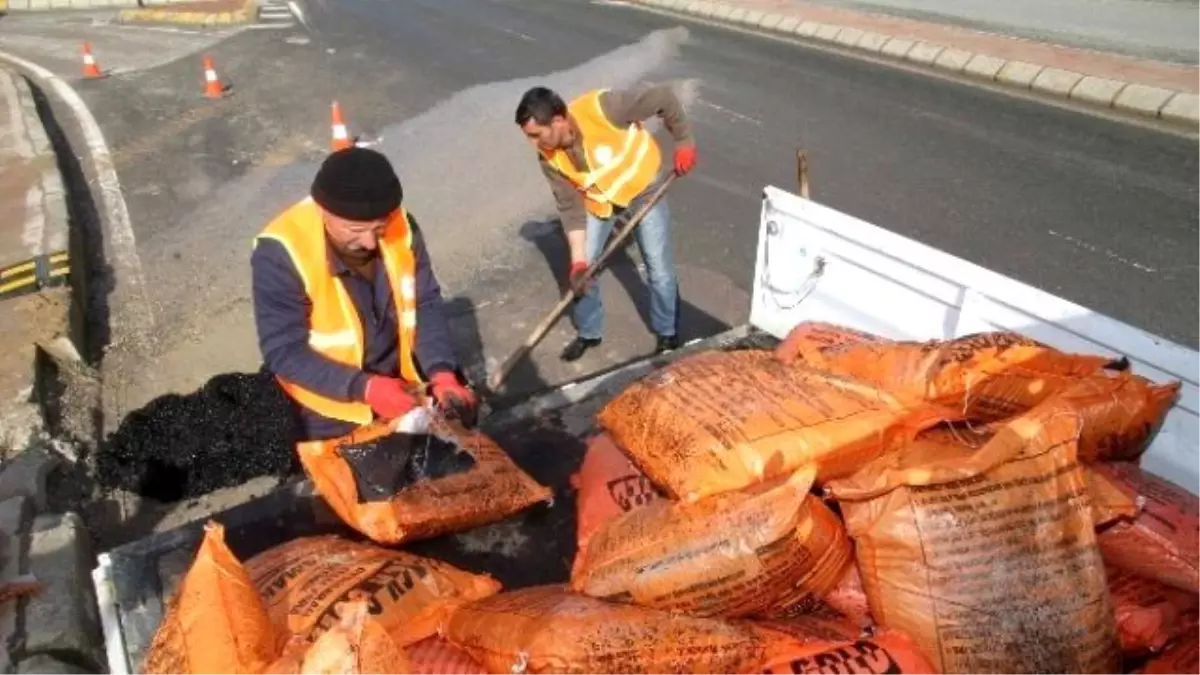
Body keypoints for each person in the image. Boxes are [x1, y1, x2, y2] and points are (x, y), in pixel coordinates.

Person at [250, 147, 477, 443]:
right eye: (355, 229)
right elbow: (284, 352)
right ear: (322, 210)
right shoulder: (281, 253)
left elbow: (425, 303)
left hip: (400, 378)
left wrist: (441, 371)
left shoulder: (402, 226)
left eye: (379, 228)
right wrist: (365, 388)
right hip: (330, 404)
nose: (370, 242)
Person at [514, 84, 697, 362]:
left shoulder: (604, 108)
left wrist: (684, 141)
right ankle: (589, 332)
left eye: (536, 135)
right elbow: (569, 207)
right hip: (600, 200)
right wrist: (578, 263)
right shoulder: (548, 157)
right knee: (584, 272)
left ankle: (667, 332)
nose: (534, 144)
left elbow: (662, 97)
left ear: (558, 120)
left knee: (658, 268)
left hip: (644, 188)